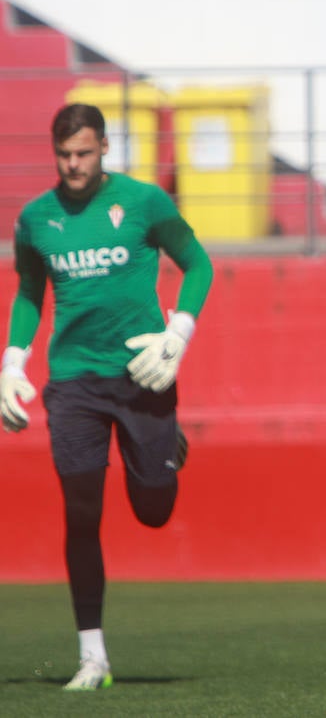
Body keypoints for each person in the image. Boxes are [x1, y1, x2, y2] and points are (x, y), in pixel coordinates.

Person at [0, 103, 213, 691]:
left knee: (152, 511)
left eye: (84, 153)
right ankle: (93, 657)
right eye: (64, 155)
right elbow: (28, 295)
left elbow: (198, 265)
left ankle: (164, 442)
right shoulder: (36, 219)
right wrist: (11, 362)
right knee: (81, 513)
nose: (73, 164)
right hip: (73, 383)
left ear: (104, 149)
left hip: (143, 374)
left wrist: (178, 335)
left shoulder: (144, 203)